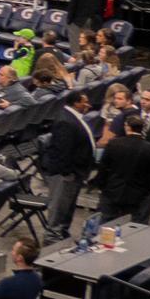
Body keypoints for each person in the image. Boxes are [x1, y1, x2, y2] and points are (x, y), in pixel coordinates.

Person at [40, 88, 97, 239]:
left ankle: (62, 235)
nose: (88, 105)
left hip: (74, 173)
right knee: (59, 210)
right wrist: (67, 173)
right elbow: (62, 151)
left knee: (67, 208)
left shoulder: (73, 117)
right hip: (65, 175)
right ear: (76, 103)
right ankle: (51, 241)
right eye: (85, 102)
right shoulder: (66, 121)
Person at [93, 114, 150, 222]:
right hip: (136, 195)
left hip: (112, 191)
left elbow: (104, 168)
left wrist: (101, 186)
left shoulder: (114, 144)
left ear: (127, 126)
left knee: (105, 224)